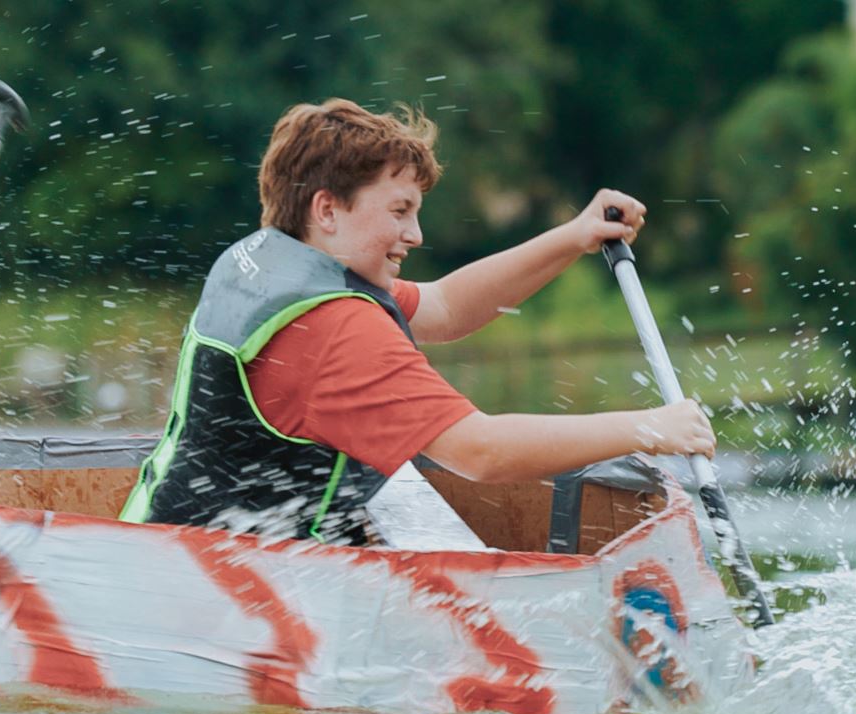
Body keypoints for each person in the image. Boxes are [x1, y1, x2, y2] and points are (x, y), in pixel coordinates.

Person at [119, 98, 715, 544]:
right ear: (327, 209)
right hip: (216, 595)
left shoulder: (267, 261)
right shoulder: (334, 330)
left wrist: (574, 237)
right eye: (399, 211)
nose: (416, 235)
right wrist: (651, 428)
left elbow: (447, 307)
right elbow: (480, 452)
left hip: (162, 542)